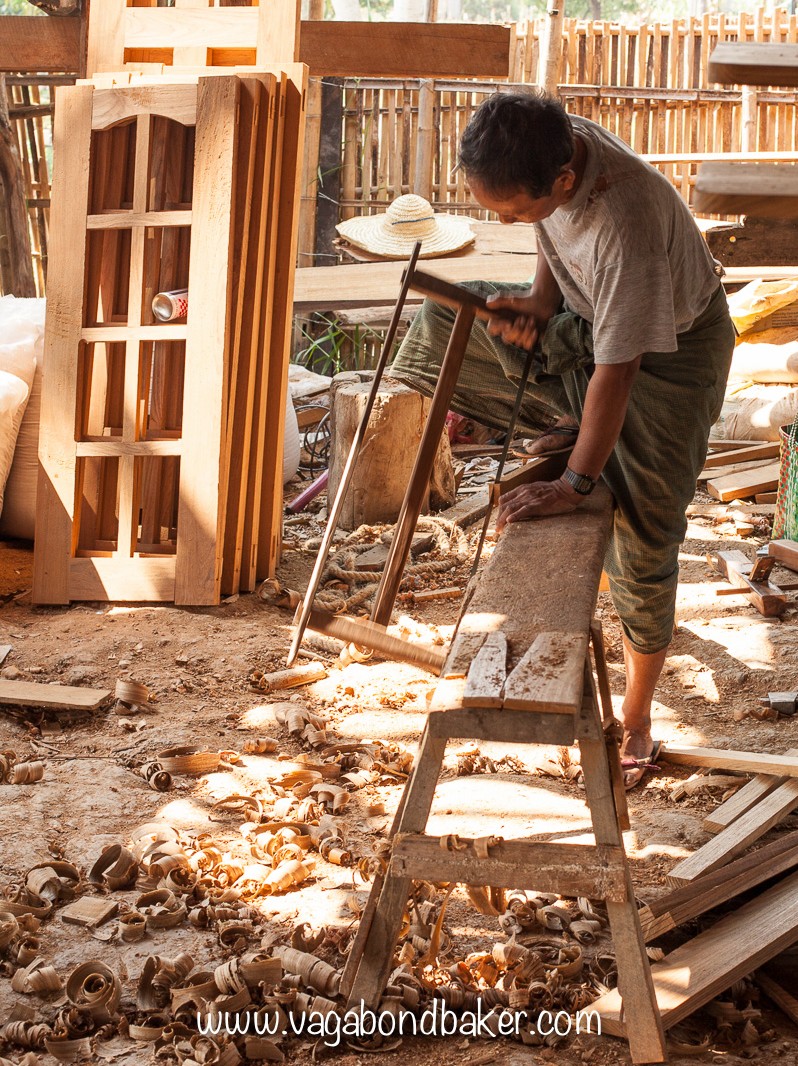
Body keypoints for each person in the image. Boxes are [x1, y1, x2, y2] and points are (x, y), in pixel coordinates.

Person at [387, 90, 736, 787]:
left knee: (644, 537)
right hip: (593, 322)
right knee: (444, 321)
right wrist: (540, 301)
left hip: (668, 359)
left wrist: (574, 484)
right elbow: (551, 231)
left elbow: (620, 369)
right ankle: (582, 428)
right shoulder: (556, 138)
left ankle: (637, 716)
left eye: (516, 212)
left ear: (566, 180)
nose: (507, 223)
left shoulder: (626, 224)